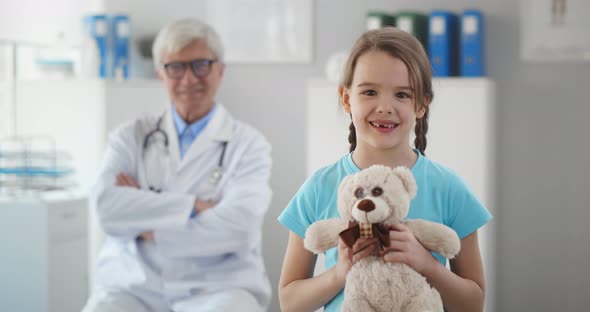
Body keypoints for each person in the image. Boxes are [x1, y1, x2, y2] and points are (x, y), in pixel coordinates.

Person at [278, 27, 492, 312]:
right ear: (346, 98)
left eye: (402, 95)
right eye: (369, 91)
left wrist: (425, 263)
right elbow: (289, 302)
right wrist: (340, 273)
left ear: (421, 104)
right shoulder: (319, 187)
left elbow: (473, 303)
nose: (384, 107)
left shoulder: (449, 188)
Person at [83, 18, 272, 312]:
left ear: (220, 70)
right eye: (175, 67)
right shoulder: (130, 137)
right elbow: (106, 209)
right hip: (134, 286)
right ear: (160, 74)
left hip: (219, 287)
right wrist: (194, 206)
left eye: (200, 65)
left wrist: (146, 227)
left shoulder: (249, 145)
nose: (188, 79)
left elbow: (239, 228)